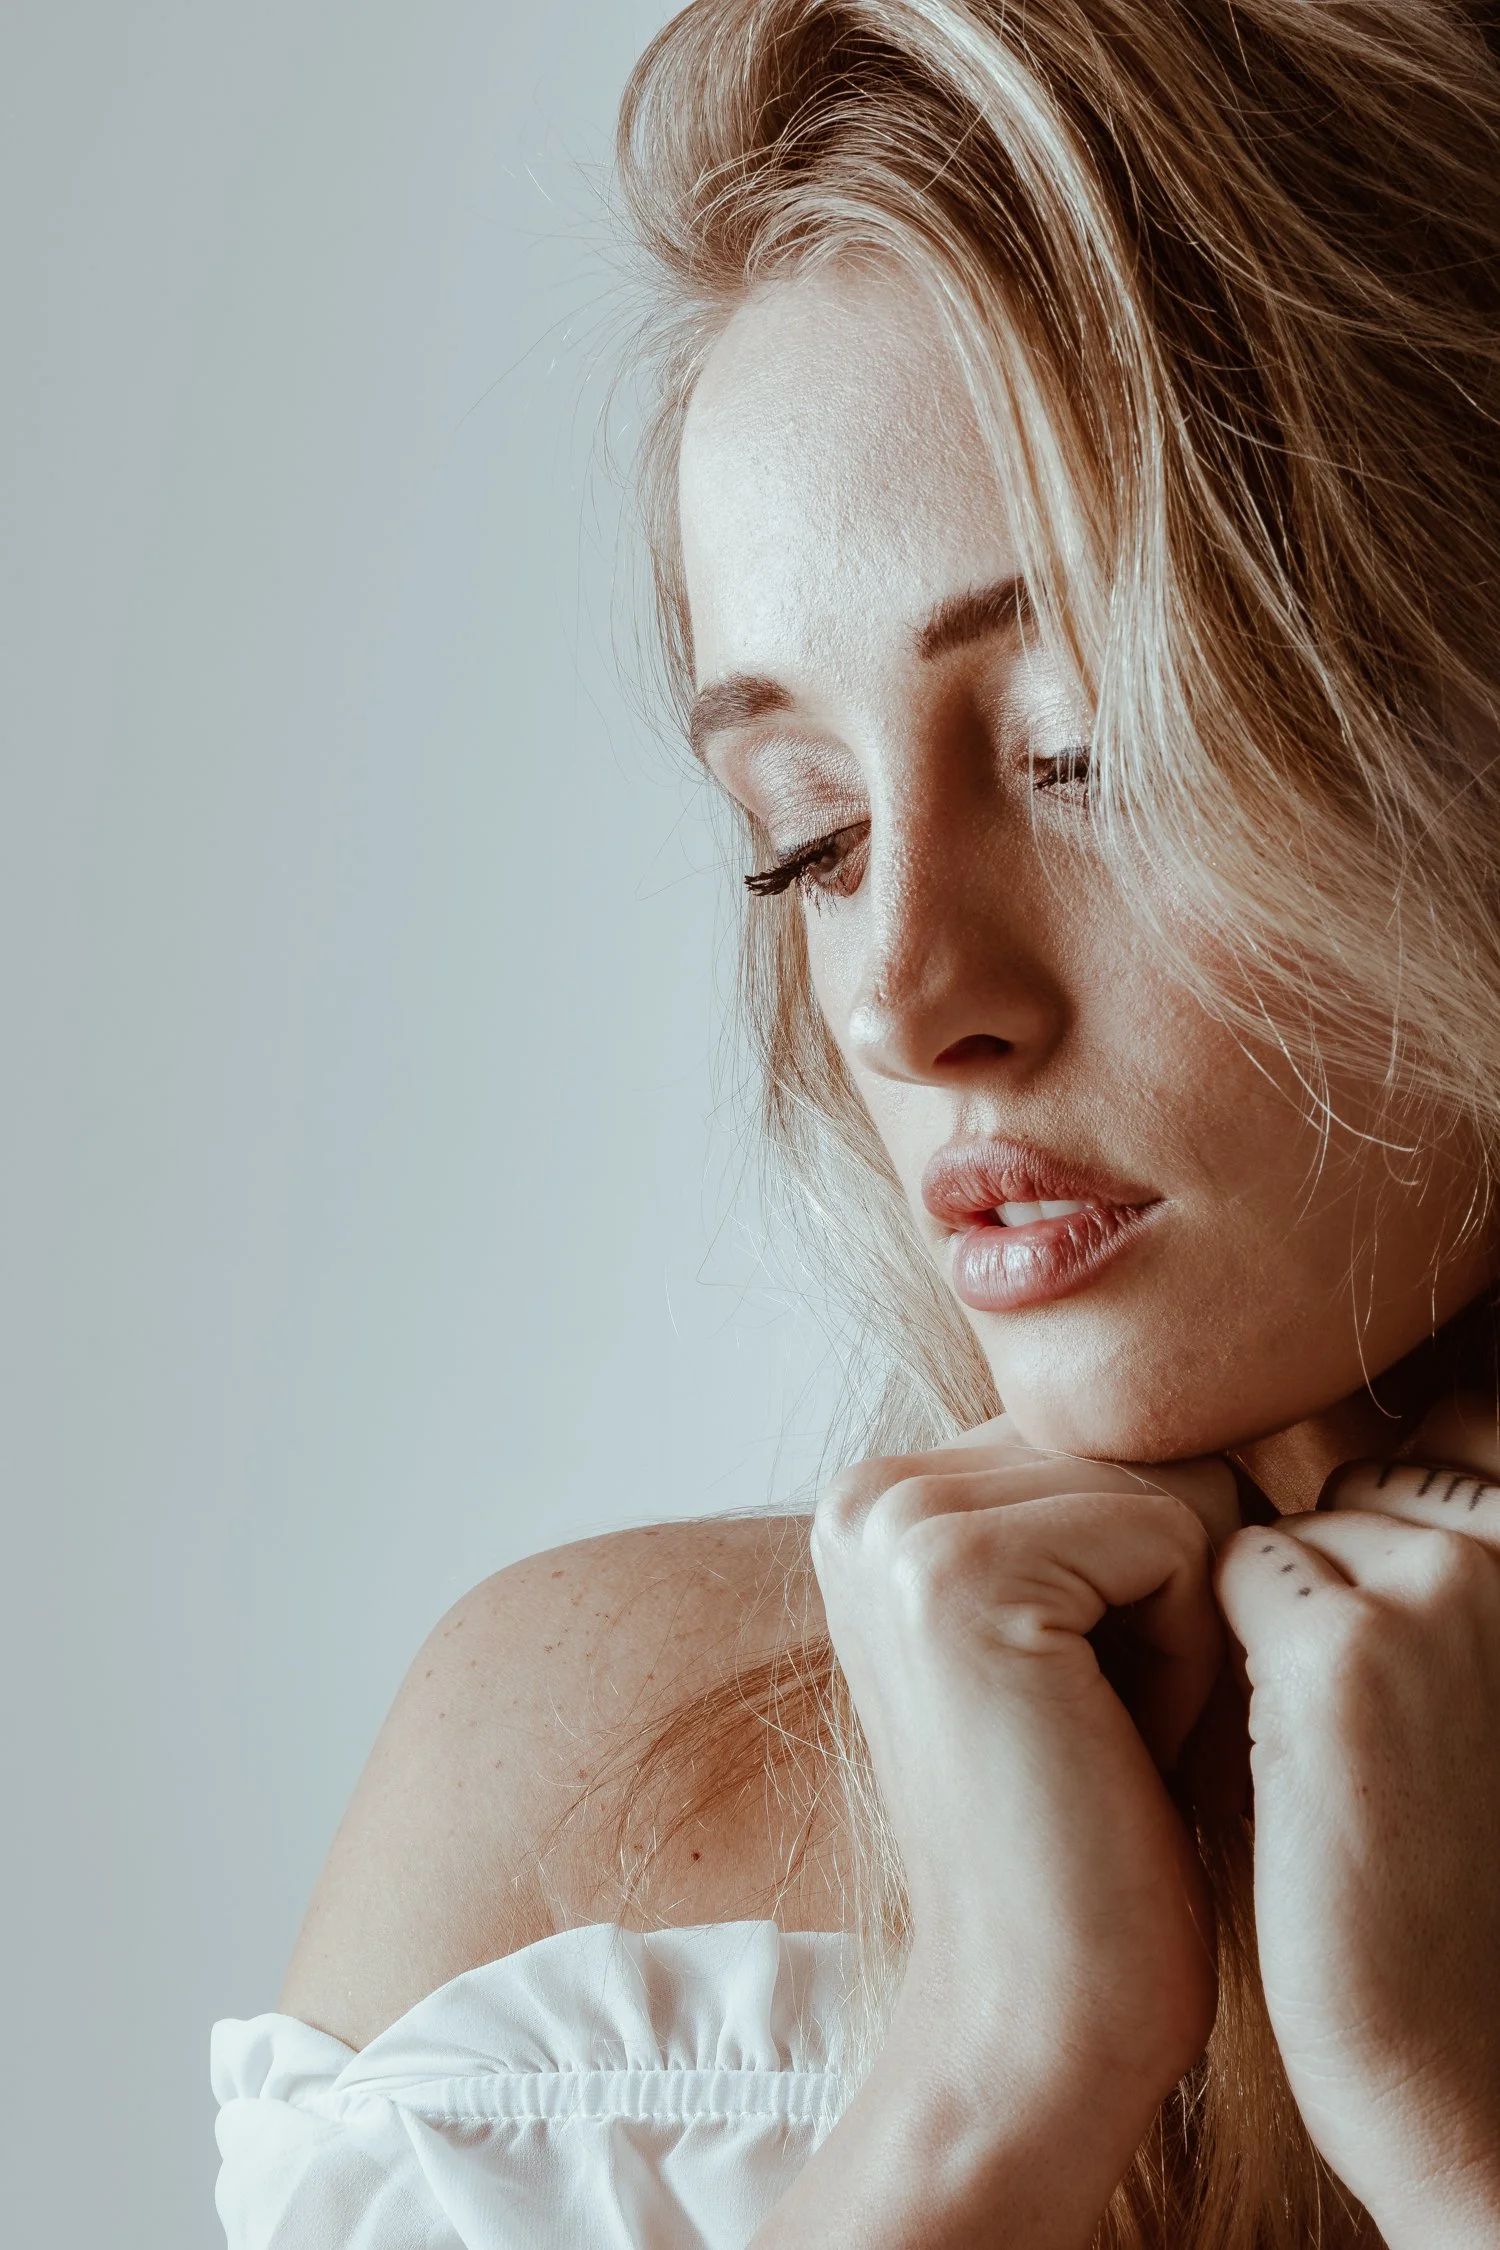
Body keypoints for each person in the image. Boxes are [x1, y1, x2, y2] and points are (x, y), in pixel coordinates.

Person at [210, 2, 1500, 2244]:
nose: (906, 996)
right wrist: (995, 2074)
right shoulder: (577, 1813)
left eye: (1096, 751)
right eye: (801, 836)